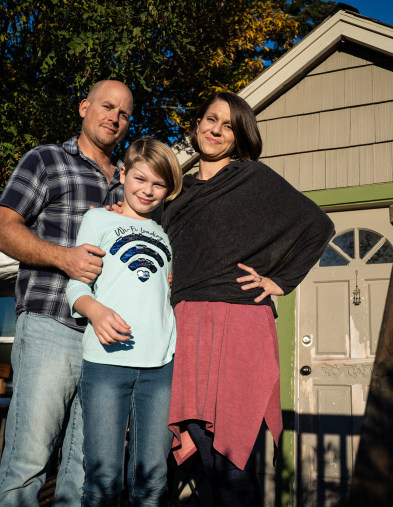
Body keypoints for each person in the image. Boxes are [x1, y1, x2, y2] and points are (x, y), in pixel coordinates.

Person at [161, 92, 335, 505]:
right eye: (210, 119)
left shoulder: (253, 179)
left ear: (239, 137)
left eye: (228, 125)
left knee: (230, 462)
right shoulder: (176, 196)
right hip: (185, 326)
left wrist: (280, 280)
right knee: (199, 451)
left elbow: (317, 225)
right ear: (197, 124)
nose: (216, 129)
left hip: (238, 323)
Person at [0, 79, 133, 506]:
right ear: (84, 107)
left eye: (124, 114)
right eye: (107, 107)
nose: (114, 118)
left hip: (106, 341)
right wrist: (64, 258)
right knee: (27, 462)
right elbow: (0, 230)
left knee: (87, 472)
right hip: (50, 323)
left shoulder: (130, 180)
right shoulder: (47, 160)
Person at [65, 137, 182, 506]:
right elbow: (75, 285)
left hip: (161, 367)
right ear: (123, 173)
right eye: (140, 179)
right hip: (105, 363)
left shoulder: (168, 232)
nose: (147, 190)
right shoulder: (99, 218)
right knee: (102, 479)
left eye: (158, 184)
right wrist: (95, 311)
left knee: (153, 480)